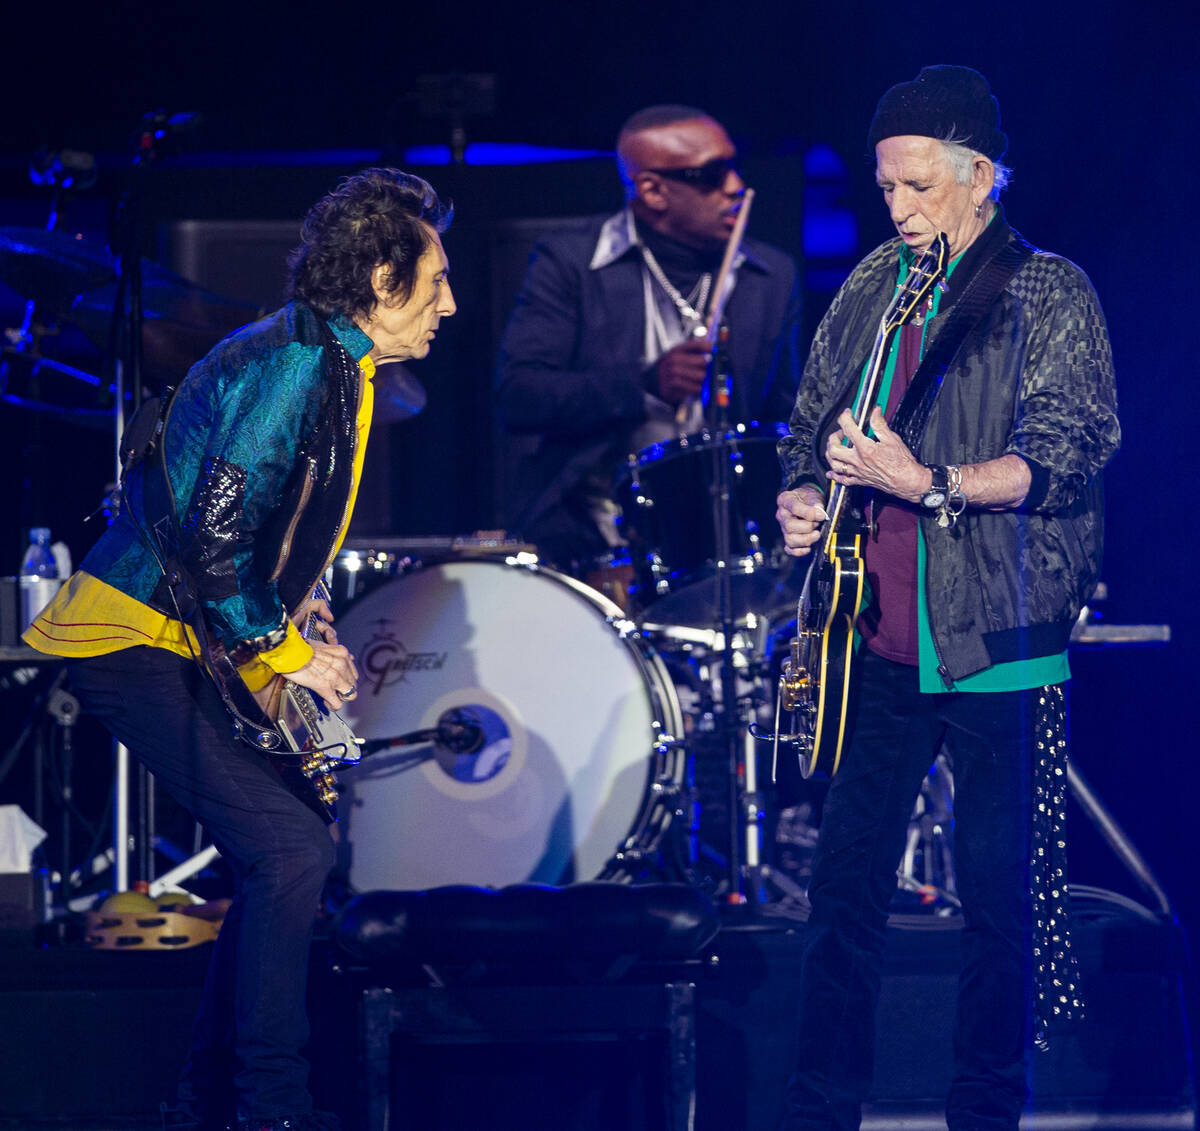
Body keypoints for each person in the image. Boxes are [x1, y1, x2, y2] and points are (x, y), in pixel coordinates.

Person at [23, 168, 456, 1131]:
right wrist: (283, 650)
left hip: (188, 633)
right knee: (292, 850)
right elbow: (216, 541)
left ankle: (207, 1102)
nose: (450, 304)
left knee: (290, 850)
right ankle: (270, 1108)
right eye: (435, 282)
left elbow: (260, 536)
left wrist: (299, 625)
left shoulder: (332, 361)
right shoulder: (295, 366)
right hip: (127, 637)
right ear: (383, 280)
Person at [773, 66, 1119, 1131]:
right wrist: (798, 496)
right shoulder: (876, 283)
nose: (902, 208)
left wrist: (921, 484)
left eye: (920, 186)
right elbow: (809, 422)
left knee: (999, 904)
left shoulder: (1045, 289)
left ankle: (987, 1114)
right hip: (874, 639)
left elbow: (1066, 455)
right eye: (887, 188)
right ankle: (822, 1109)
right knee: (841, 896)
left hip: (999, 637)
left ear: (981, 177)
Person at [496, 103, 802, 586]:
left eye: (733, 165)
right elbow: (519, 394)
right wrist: (643, 385)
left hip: (727, 534)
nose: (734, 186)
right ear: (653, 190)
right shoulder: (571, 261)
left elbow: (787, 408)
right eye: (710, 174)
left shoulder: (770, 274)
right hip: (592, 533)